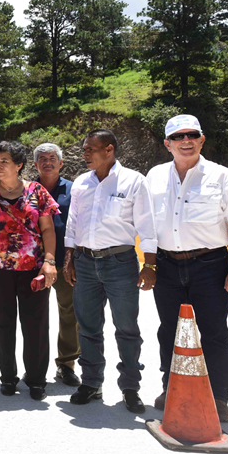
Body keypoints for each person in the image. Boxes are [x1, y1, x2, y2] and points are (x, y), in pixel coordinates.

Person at [146, 114, 228, 422]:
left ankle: (219, 396)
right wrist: (148, 263)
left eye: (192, 135)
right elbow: (146, 225)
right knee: (169, 332)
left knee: (213, 333)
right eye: (178, 137)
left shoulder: (224, 178)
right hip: (166, 265)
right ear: (167, 144)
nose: (185, 141)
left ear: (201, 139)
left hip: (211, 265)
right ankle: (170, 386)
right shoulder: (154, 177)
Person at [64, 129, 157, 414]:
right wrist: (69, 257)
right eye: (84, 149)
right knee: (89, 328)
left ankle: (130, 387)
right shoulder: (81, 183)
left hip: (120, 264)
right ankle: (91, 383)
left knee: (127, 329)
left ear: (109, 150)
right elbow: (73, 223)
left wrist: (150, 265)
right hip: (85, 263)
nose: (85, 154)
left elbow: (147, 225)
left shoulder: (133, 181)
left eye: (90, 149)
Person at [0, 142, 59, 400]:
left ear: (19, 165)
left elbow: (48, 230)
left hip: (33, 270)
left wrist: (49, 261)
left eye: (5, 161)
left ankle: (36, 379)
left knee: (36, 325)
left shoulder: (37, 191)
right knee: (3, 324)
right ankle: (8, 378)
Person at [32, 144, 82, 387]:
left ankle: (66, 365)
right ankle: (34, 365)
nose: (47, 162)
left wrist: (73, 258)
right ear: (35, 164)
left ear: (61, 163)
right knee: (35, 316)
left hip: (66, 263)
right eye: (42, 158)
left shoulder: (74, 190)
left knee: (70, 313)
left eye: (52, 158)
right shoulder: (26, 191)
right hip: (32, 263)